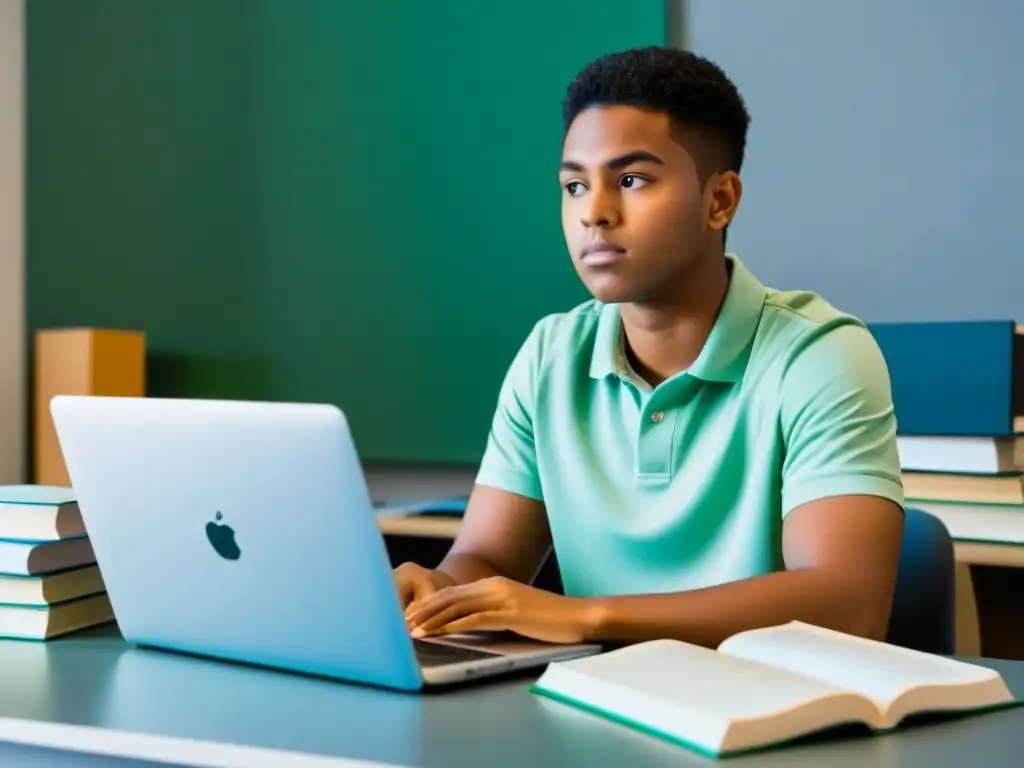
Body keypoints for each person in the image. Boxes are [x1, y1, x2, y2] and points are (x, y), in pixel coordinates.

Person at [398, 46, 905, 648]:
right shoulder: (550, 354)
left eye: (632, 180)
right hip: (596, 711)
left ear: (720, 201)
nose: (594, 213)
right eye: (573, 184)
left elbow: (847, 605)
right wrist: (438, 589)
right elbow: (485, 560)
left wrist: (587, 616)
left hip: (769, 719)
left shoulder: (819, 355)